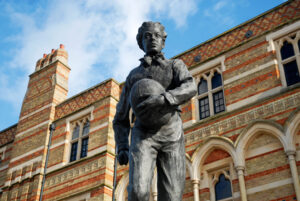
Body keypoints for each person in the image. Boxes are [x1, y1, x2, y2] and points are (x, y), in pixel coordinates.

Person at [113, 21, 197, 201]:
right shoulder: (133, 76)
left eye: (157, 35)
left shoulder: (175, 66)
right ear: (141, 42)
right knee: (138, 192)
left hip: (171, 134)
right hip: (143, 135)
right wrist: (122, 146)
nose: (152, 39)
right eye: (147, 36)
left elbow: (190, 86)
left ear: (163, 41)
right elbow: (120, 118)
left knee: (172, 197)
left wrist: (163, 99)